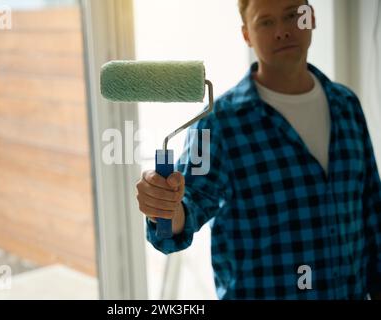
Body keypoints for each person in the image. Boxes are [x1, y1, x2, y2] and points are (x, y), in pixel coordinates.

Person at [135, 0, 381, 299]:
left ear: (311, 17)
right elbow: (189, 206)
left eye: (292, 15)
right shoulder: (218, 124)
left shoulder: (347, 105)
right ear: (246, 35)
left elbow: (372, 214)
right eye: (265, 22)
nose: (281, 31)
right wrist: (165, 208)